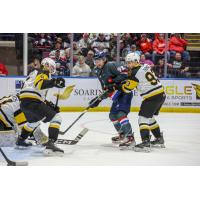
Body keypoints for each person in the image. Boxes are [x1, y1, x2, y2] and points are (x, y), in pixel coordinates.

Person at [18, 57, 65, 155]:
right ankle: (51, 143)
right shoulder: (43, 71)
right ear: (46, 65)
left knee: (33, 122)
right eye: (51, 67)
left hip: (24, 103)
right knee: (56, 118)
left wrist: (49, 106)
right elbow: (40, 84)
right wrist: (54, 82)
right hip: (32, 101)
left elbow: (36, 92)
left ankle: (21, 140)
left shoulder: (34, 73)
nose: (52, 70)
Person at [120, 53, 166, 151]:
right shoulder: (145, 65)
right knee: (150, 118)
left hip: (152, 97)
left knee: (142, 119)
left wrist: (121, 85)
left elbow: (127, 89)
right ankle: (159, 138)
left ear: (136, 61)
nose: (129, 64)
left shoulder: (134, 73)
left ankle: (145, 143)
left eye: (131, 62)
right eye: (127, 62)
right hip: (161, 94)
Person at [89, 52, 135, 149]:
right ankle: (122, 134)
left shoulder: (111, 65)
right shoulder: (97, 71)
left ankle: (130, 138)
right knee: (112, 115)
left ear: (104, 60)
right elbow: (106, 88)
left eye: (99, 61)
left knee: (121, 114)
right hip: (116, 95)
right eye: (95, 61)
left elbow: (126, 73)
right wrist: (98, 99)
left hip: (124, 92)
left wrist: (114, 83)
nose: (97, 63)